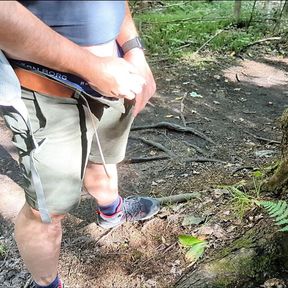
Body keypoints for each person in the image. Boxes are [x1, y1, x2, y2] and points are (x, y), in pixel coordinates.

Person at [0, 1, 160, 287]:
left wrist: (134, 49)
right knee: (48, 210)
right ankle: (47, 284)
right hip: (45, 92)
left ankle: (112, 211)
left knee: (104, 157)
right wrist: (91, 67)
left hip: (116, 77)